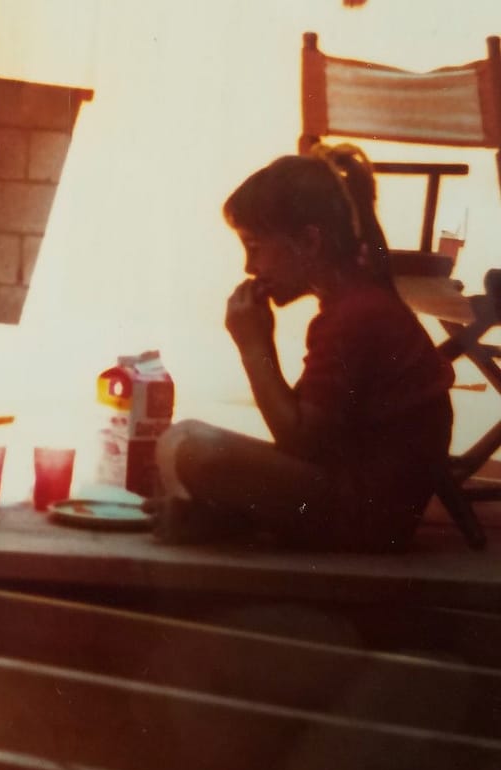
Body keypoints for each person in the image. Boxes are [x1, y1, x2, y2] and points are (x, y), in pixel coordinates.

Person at [156, 146, 454, 552]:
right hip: (357, 498)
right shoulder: (351, 305)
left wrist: (254, 346)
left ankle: (220, 519)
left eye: (255, 246)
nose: (249, 266)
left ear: (309, 241)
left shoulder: (357, 315)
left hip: (366, 520)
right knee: (182, 435)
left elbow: (298, 443)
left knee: (198, 454)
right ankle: (219, 518)